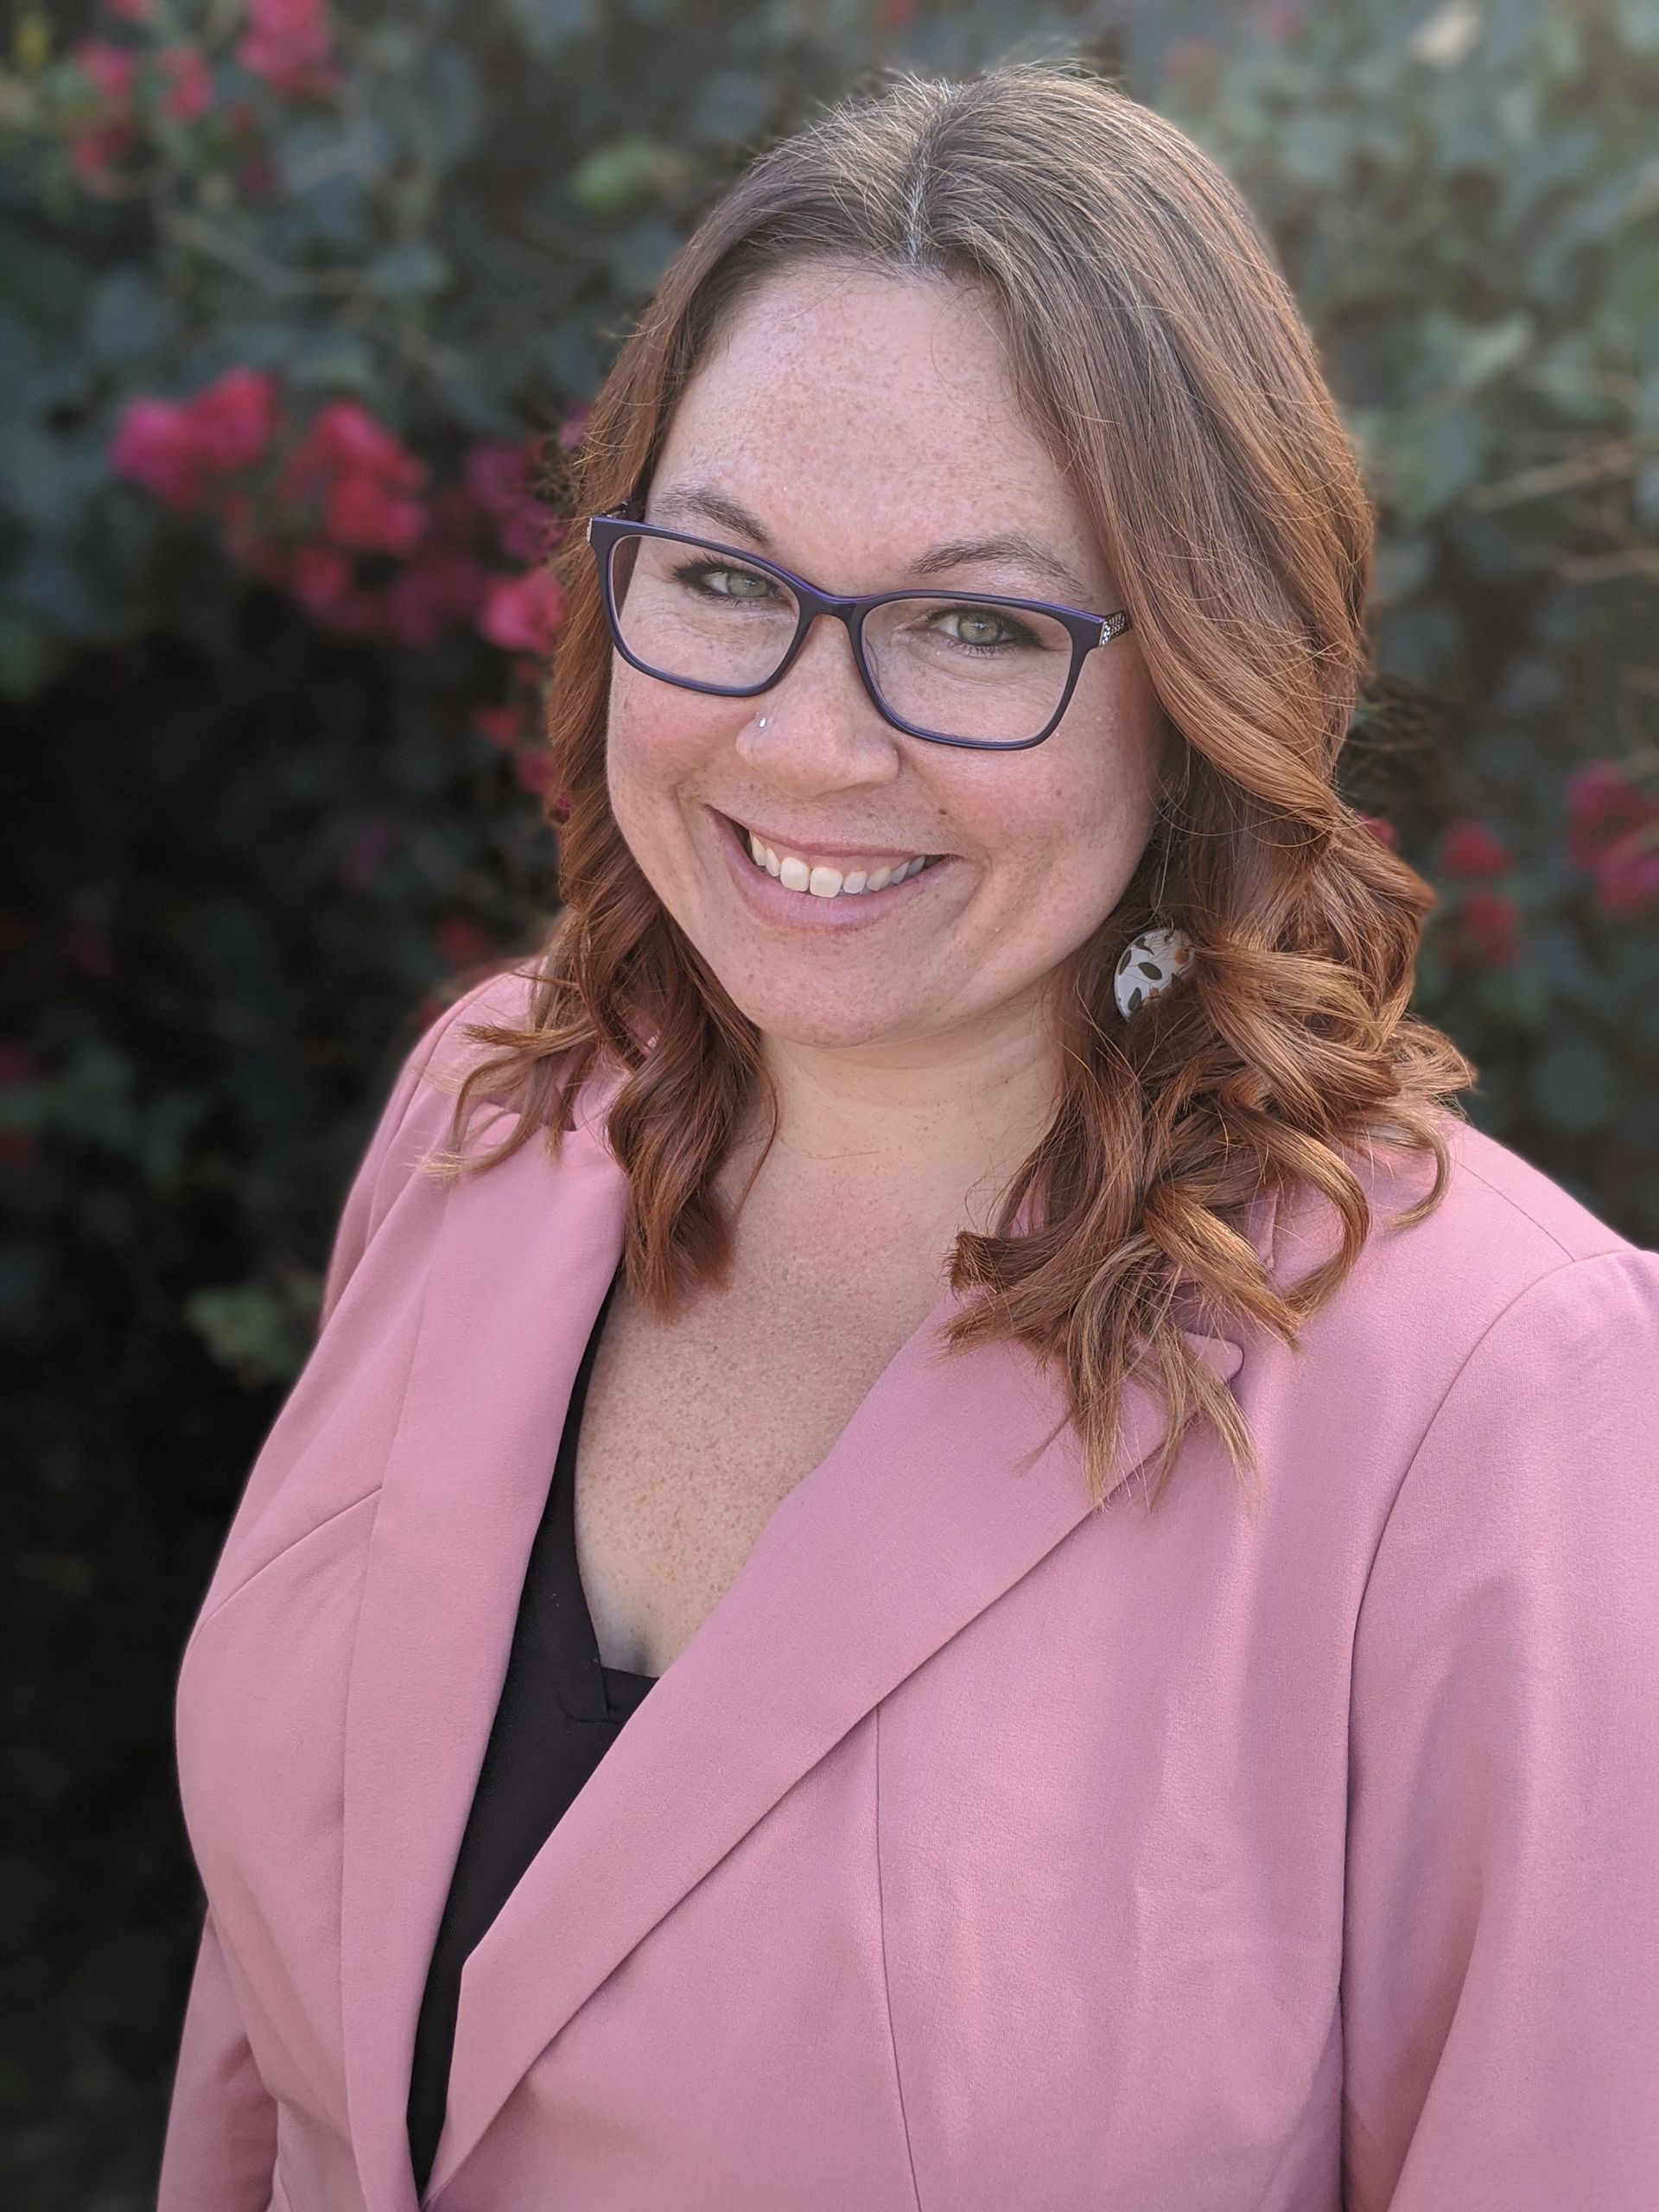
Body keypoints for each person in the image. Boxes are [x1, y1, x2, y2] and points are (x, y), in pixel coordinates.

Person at [156, 58, 1659, 2212]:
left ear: (1203, 683)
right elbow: (270, 2039)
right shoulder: (495, 1110)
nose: (806, 740)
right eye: (722, 575)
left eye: (977, 624)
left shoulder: (1495, 1397)